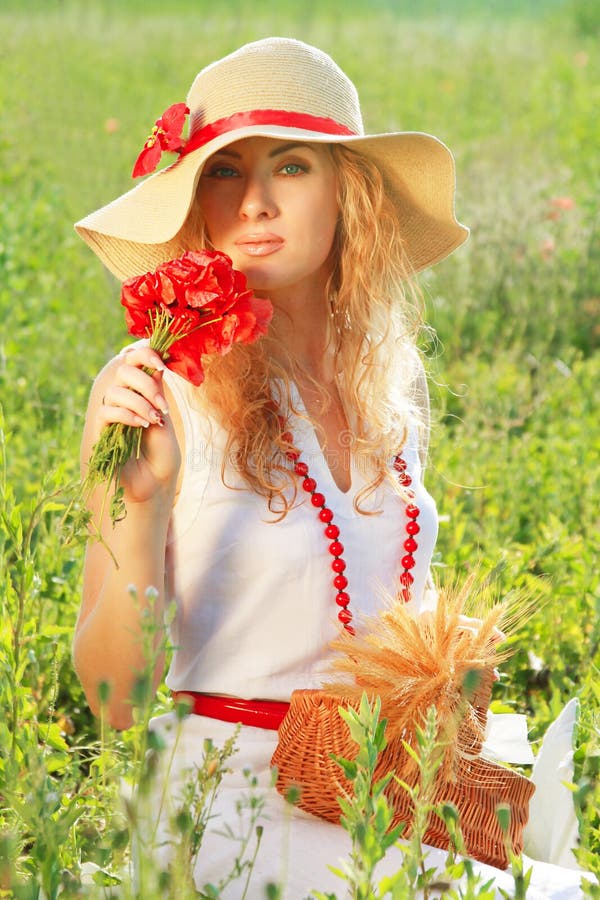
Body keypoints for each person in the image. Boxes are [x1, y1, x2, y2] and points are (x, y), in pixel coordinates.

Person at [73, 37, 587, 898]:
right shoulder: (160, 388)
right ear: (197, 201)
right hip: (235, 804)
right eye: (226, 172)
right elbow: (116, 701)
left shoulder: (389, 375)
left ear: (349, 194)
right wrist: (141, 506)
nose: (256, 204)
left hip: (377, 780)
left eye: (293, 167)